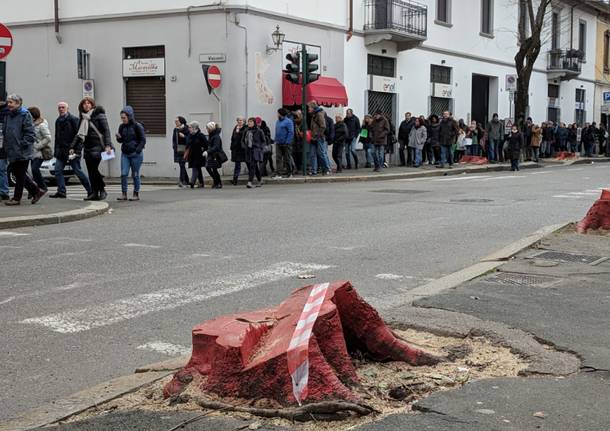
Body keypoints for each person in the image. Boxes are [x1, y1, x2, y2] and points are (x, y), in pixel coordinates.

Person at [3, 94, 45, 206]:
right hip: (12, 150)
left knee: (20, 174)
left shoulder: (25, 114)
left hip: (22, 151)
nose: (9, 104)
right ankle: (37, 191)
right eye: (8, 102)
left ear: (18, 103)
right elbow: (6, 131)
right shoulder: (8, 115)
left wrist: (21, 144)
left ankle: (17, 198)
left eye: (11, 102)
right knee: (18, 173)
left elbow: (30, 134)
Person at [71, 97, 113, 201]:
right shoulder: (82, 117)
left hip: (98, 146)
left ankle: (102, 189)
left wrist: (108, 145)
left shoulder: (99, 115)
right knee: (90, 171)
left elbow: (106, 131)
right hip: (87, 147)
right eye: (84, 103)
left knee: (94, 169)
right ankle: (94, 192)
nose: (86, 105)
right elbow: (79, 134)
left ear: (92, 105)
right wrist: (72, 147)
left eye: (88, 103)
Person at [50, 102, 92, 199]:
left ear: (67, 109)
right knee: (57, 170)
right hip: (61, 151)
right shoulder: (58, 121)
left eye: (63, 107)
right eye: (59, 108)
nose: (61, 109)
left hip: (72, 151)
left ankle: (90, 190)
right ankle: (61, 191)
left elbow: (79, 136)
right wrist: (56, 151)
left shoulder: (73, 119)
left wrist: (77, 150)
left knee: (77, 171)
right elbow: (57, 137)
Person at [115, 106, 145, 201]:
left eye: (124, 117)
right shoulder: (121, 127)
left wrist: (137, 150)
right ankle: (124, 194)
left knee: (135, 175)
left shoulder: (137, 126)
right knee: (124, 174)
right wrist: (118, 138)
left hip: (136, 155)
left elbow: (143, 140)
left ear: (130, 116)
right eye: (121, 118)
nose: (122, 119)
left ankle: (136, 194)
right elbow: (121, 141)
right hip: (125, 154)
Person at [28, 107, 52, 193]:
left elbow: (48, 138)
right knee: (32, 171)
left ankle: (43, 187)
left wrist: (38, 146)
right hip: (31, 152)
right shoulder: (31, 124)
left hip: (39, 152)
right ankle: (36, 189)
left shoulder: (41, 125)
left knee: (35, 169)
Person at [307, 102, 331, 176]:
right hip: (313, 137)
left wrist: (317, 135)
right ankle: (314, 170)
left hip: (319, 137)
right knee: (312, 154)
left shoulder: (319, 114)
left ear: (313, 108)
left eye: (309, 108)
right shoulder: (313, 115)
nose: (308, 109)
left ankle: (327, 169)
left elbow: (323, 126)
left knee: (321, 154)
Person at [242, 117, 265, 188]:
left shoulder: (259, 131)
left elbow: (263, 141)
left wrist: (260, 147)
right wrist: (244, 147)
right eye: (248, 121)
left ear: (254, 123)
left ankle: (250, 182)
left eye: (251, 121)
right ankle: (260, 180)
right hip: (248, 151)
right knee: (253, 167)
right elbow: (242, 140)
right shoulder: (246, 130)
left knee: (252, 166)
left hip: (256, 151)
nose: (249, 123)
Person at [185, 121, 207, 188]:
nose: (189, 128)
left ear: (194, 128)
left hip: (199, 155)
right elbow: (187, 143)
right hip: (192, 155)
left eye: (190, 127)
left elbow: (206, 144)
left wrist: (204, 151)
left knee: (195, 167)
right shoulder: (190, 135)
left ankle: (192, 182)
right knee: (198, 168)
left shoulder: (201, 135)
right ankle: (201, 182)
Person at [275, 108, 295, 177]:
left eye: (278, 113)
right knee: (278, 158)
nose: (277, 114)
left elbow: (291, 132)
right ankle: (279, 173)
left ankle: (290, 173)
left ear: (281, 114)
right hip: (278, 143)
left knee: (287, 158)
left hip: (286, 143)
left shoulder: (288, 121)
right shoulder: (278, 121)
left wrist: (287, 142)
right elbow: (277, 131)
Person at [205, 121, 224, 188]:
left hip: (215, 155)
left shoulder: (216, 136)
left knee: (214, 169)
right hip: (211, 154)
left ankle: (218, 182)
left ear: (211, 128)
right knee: (208, 167)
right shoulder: (211, 135)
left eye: (207, 128)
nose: (207, 130)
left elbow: (216, 146)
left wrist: (208, 151)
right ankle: (216, 181)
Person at [172, 116, 190, 187]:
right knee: (181, 165)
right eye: (175, 121)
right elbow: (173, 139)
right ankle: (186, 180)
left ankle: (182, 180)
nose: (175, 122)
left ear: (181, 121)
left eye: (177, 121)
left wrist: (184, 137)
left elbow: (189, 138)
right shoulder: (175, 129)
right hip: (177, 149)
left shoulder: (186, 128)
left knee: (182, 164)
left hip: (184, 149)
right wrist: (174, 146)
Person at [230, 117, 246, 185]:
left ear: (244, 121)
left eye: (241, 120)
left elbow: (243, 136)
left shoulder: (246, 128)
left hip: (243, 149)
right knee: (237, 165)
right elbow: (232, 138)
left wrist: (238, 131)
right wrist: (232, 147)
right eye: (238, 120)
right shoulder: (235, 127)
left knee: (248, 163)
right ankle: (235, 179)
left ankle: (252, 178)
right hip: (236, 149)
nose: (239, 121)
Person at [0, 98, 10, 200]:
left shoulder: (7, 111)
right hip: (4, 146)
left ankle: (4, 192)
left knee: (2, 169)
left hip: (4, 147)